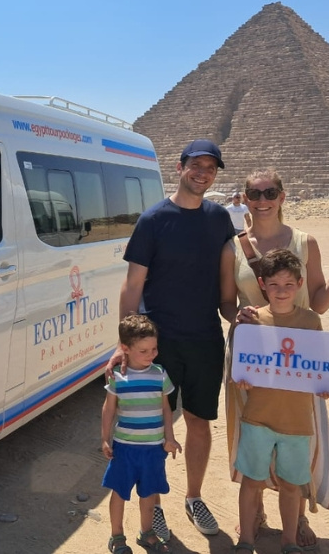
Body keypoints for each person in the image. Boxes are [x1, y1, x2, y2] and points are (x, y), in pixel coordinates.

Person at [220, 168, 329, 548]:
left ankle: (296, 518)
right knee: (252, 438)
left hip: (298, 360)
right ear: (245, 199)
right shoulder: (232, 249)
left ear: (282, 196)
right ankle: (257, 513)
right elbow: (226, 303)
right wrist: (239, 316)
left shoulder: (304, 242)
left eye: (270, 193)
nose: (262, 200)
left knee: (296, 439)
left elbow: (318, 303)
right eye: (254, 194)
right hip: (252, 357)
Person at [113, 139, 235, 539]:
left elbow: (229, 282)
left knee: (199, 422)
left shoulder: (219, 219)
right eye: (196, 165)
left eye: (210, 168)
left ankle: (194, 497)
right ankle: (155, 506)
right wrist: (124, 344)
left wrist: (247, 316)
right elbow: (132, 285)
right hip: (158, 344)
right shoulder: (153, 220)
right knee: (152, 427)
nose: (203, 173)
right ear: (179, 167)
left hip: (205, 340)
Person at [230, 249, 329, 554]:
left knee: (291, 486)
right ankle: (246, 540)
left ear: (300, 284)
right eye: (274, 284)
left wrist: (326, 384)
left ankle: (289, 541)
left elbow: (318, 366)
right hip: (257, 417)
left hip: (297, 421)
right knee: (252, 481)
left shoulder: (311, 321)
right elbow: (241, 367)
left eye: (288, 284)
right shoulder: (252, 320)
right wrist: (242, 378)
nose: (281, 291)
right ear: (262, 284)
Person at [102, 314, 181, 554]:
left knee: (149, 493)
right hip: (124, 448)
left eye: (154, 349)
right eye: (144, 351)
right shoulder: (118, 377)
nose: (151, 355)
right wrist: (105, 438)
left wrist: (169, 438)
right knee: (119, 492)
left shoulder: (159, 373)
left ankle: (147, 533)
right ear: (125, 349)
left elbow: (166, 408)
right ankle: (117, 537)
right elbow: (109, 408)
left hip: (153, 448)